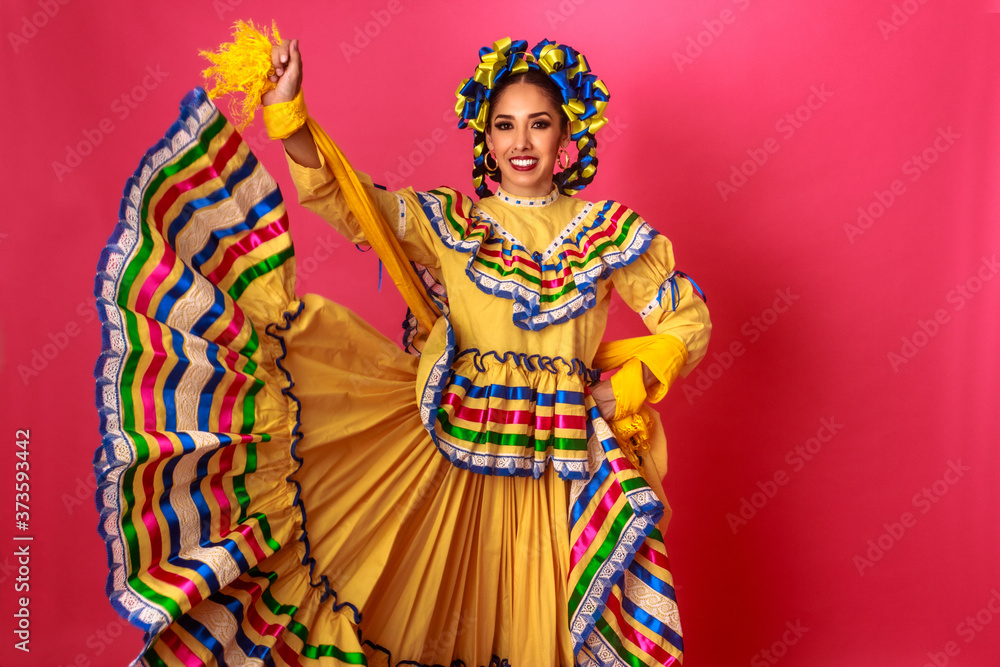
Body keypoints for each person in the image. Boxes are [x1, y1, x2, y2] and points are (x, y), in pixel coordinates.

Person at [93, 31, 710, 667]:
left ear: (565, 136)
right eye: (505, 125)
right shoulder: (454, 223)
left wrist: (626, 387)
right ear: (486, 138)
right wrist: (290, 114)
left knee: (548, 633)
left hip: (565, 467)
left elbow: (687, 321)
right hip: (451, 453)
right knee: (431, 612)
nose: (521, 143)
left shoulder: (609, 232)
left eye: (539, 125)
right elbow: (357, 206)